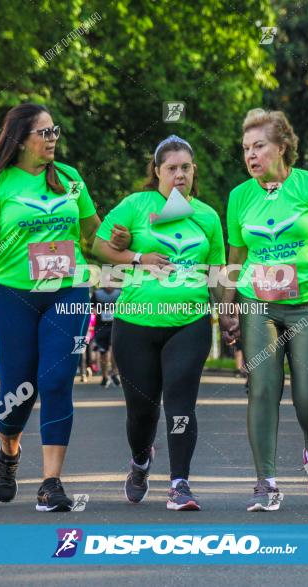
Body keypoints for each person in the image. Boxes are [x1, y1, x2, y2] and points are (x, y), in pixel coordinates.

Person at [0, 103, 103, 512]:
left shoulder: (71, 179)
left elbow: (95, 234)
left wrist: (125, 239)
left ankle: (51, 483)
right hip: (13, 293)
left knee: (57, 379)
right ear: (21, 139)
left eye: (55, 130)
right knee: (16, 391)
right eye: (45, 132)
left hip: (68, 289)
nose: (53, 137)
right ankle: (8, 453)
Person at [92, 134, 233, 511]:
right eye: (171, 168)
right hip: (134, 324)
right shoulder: (136, 205)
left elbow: (217, 272)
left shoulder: (206, 216)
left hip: (190, 322)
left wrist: (229, 313)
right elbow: (98, 245)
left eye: (186, 167)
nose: (179, 174)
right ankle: (141, 462)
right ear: (156, 172)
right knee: (141, 410)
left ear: (193, 171)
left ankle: (180, 483)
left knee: (181, 403)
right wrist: (137, 257)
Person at [222, 109, 308, 511]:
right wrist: (226, 309)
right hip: (259, 301)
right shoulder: (239, 196)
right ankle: (266, 482)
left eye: (259, 146)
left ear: (281, 147)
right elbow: (236, 256)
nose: (251, 155)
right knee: (262, 387)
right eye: (246, 149)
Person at [91, 285, 121, 388]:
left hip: (115, 325)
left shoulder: (119, 292)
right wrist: (94, 310)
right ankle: (105, 376)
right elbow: (91, 306)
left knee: (115, 350)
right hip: (101, 327)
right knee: (103, 352)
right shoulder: (97, 293)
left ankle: (114, 373)